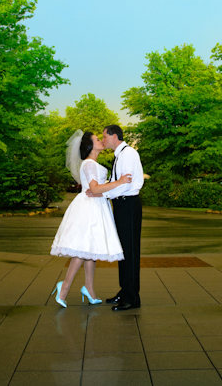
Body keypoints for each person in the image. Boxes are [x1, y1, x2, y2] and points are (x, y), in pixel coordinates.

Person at [49, 130, 132, 308]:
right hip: (89, 208)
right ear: (89, 145)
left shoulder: (92, 163)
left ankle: (89, 288)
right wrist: (120, 182)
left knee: (90, 252)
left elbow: (96, 189)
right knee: (82, 251)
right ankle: (64, 287)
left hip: (95, 206)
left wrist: (106, 189)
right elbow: (94, 189)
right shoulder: (89, 164)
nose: (101, 141)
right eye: (97, 139)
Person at [89, 124, 144, 311]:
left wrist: (100, 193)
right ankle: (125, 291)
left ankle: (132, 298)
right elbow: (117, 182)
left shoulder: (128, 154)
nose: (103, 141)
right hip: (121, 204)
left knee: (130, 251)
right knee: (123, 250)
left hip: (128, 204)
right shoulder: (120, 154)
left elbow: (125, 185)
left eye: (105, 137)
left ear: (114, 136)